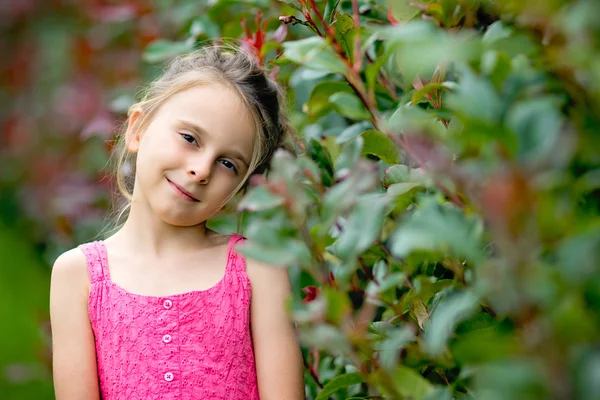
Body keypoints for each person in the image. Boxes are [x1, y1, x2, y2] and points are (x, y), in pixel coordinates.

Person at [49, 44, 305, 400]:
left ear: (240, 188)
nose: (201, 170)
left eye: (228, 164)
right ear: (137, 128)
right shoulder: (78, 276)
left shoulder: (256, 269)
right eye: (189, 139)